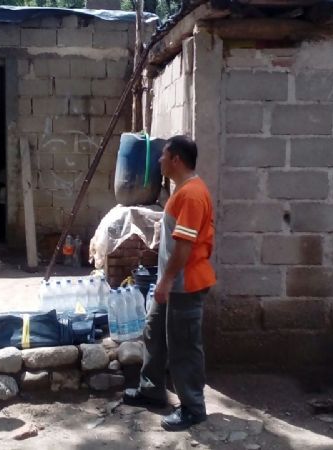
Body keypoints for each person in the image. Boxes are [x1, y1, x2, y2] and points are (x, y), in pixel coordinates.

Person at [123, 135, 216, 431]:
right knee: (153, 332)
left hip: (184, 285)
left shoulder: (191, 194)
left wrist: (165, 281)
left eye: (163, 156)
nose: (159, 161)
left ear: (176, 159)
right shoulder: (182, 191)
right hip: (173, 282)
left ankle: (193, 408)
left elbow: (184, 248)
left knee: (184, 347)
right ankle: (151, 390)